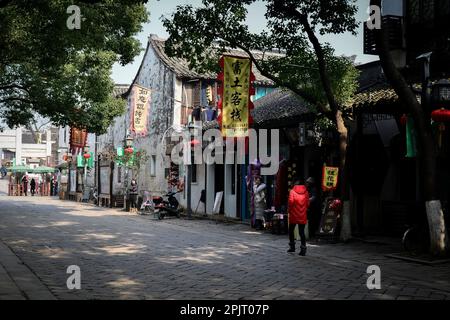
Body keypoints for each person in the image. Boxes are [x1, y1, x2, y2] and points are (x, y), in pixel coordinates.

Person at [287, 178, 310, 256]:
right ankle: (303, 249)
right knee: (301, 232)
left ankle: (292, 247)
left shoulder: (292, 192)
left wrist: (289, 211)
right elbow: (307, 204)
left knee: (291, 230)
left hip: (293, 214)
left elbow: (290, 203)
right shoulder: (306, 192)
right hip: (302, 214)